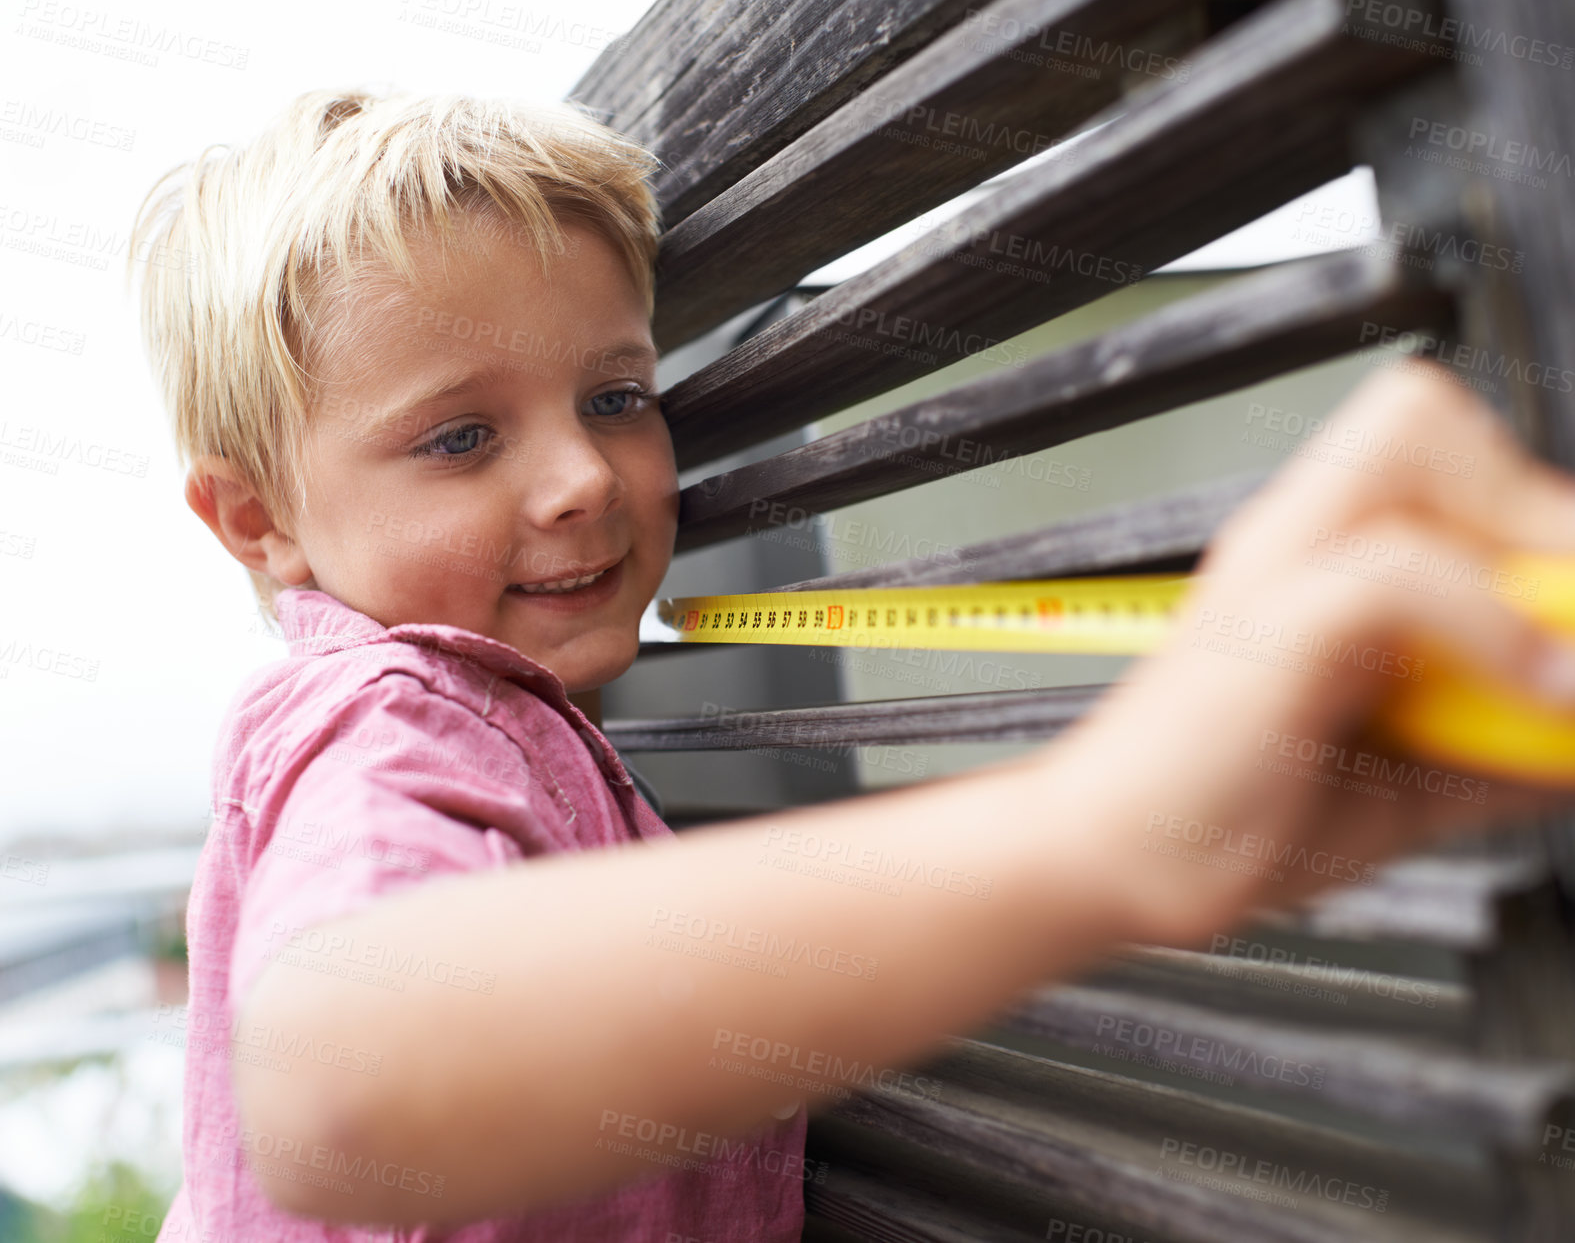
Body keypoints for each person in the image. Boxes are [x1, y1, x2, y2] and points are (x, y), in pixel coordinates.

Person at [131, 87, 1575, 1242]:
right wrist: (1100, 831)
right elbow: (345, 1075)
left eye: (618, 396)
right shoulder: (386, 716)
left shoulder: (501, 713)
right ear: (258, 519)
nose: (583, 476)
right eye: (460, 436)